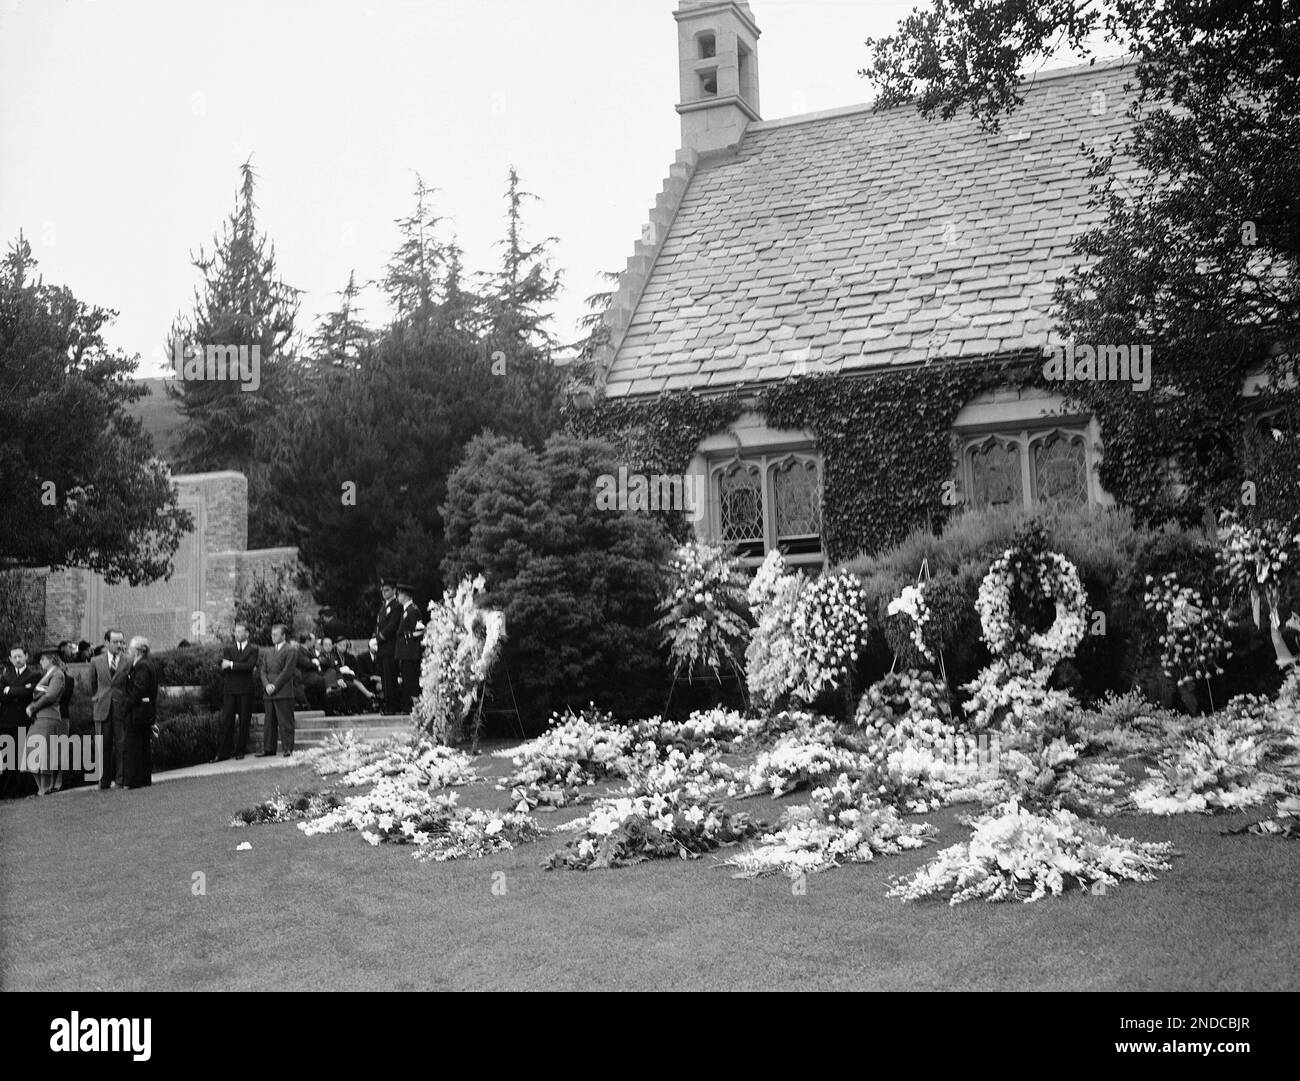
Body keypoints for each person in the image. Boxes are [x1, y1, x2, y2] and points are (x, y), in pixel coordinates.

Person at [88, 629, 131, 789]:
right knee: (102, 745)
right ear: (106, 643)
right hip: (102, 708)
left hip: (121, 708)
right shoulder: (96, 661)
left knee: (122, 745)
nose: (119, 645)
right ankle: (103, 781)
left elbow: (129, 685)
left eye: (121, 642)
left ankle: (121, 779)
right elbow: (91, 685)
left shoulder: (128, 660)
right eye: (115, 642)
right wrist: (97, 698)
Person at [25, 649, 69, 795]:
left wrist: (33, 707)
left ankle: (45, 788)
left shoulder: (57, 674)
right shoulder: (49, 674)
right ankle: (42, 788)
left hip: (49, 717)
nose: (40, 662)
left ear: (50, 659)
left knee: (44, 755)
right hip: (40, 717)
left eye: (42, 659)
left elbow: (50, 696)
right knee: (33, 753)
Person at [1, 645, 41, 799]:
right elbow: (2, 696)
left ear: (26, 657)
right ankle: (8, 791)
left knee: (22, 756)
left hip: (24, 721)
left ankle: (23, 789)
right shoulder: (5, 676)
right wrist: (18, 690)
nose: (17, 660)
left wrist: (10, 690)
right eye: (14, 657)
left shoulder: (34, 675)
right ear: (10, 659)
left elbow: (29, 693)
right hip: (6, 722)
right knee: (7, 757)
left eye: (20, 656)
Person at [215, 621, 257, 761]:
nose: (237, 634)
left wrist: (232, 664)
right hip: (230, 689)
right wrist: (237, 666)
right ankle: (223, 753)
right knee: (227, 721)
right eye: (236, 631)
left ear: (247, 633)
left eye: (240, 631)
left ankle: (240, 750)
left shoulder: (253, 649)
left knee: (244, 721)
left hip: (245, 689)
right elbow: (224, 667)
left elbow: (249, 666)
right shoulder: (229, 649)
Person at [120, 636, 158, 789]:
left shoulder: (142, 666)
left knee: (134, 746)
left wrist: (126, 705)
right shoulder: (145, 663)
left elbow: (139, 689)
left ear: (137, 651)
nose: (128, 651)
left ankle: (134, 780)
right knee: (142, 746)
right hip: (143, 712)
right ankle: (143, 779)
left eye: (130, 648)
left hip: (138, 712)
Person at [256, 623, 297, 757]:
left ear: (283, 636)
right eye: (272, 634)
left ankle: (287, 748)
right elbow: (262, 671)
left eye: (276, 634)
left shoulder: (290, 650)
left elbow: (287, 671)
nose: (273, 637)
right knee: (269, 722)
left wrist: (274, 685)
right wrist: (267, 685)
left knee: (285, 722)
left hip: (283, 691)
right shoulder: (268, 652)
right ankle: (269, 748)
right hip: (269, 692)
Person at [394, 583, 424, 715]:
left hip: (411, 651)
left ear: (405, 595)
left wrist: (409, 638)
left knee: (411, 680)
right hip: (406, 652)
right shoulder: (406, 610)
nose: (398, 596)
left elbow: (419, 630)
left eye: (399, 594)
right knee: (407, 679)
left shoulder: (413, 610)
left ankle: (411, 706)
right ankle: (407, 706)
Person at [375, 579, 402, 714]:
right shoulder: (383, 607)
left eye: (387, 590)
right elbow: (379, 625)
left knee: (391, 678)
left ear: (394, 590)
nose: (384, 593)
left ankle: (393, 706)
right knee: (385, 679)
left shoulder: (396, 606)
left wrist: (380, 637)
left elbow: (392, 625)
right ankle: (388, 705)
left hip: (390, 647)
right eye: (383, 590)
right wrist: (375, 637)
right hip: (382, 648)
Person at [352, 637, 383, 711]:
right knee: (364, 681)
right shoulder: (362, 657)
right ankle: (367, 705)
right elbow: (360, 672)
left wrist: (379, 679)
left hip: (380, 679)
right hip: (367, 678)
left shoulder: (382, 657)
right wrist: (372, 677)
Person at [295, 632, 325, 710]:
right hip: (305, 675)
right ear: (307, 641)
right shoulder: (299, 651)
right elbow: (307, 664)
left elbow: (319, 660)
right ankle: (318, 706)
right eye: (312, 641)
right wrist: (315, 663)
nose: (314, 643)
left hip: (314, 674)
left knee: (326, 677)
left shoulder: (310, 650)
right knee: (321, 681)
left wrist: (315, 662)